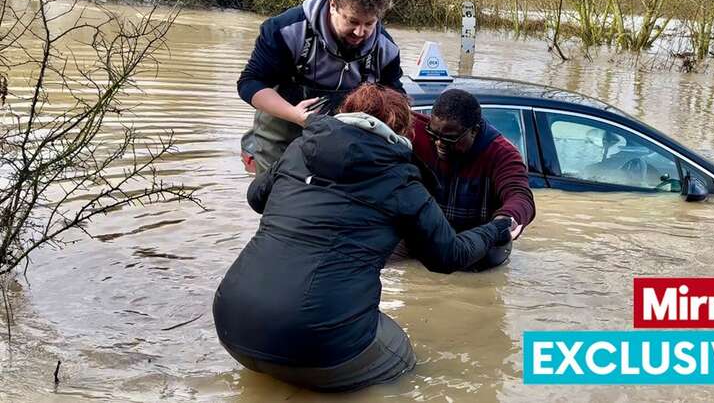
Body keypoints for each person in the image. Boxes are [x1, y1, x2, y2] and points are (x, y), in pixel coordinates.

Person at [213, 84, 512, 392]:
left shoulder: (298, 150)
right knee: (409, 366)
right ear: (402, 131)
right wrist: (497, 229)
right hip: (320, 342)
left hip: (230, 324)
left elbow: (256, 198)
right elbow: (449, 256)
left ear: (345, 113)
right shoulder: (403, 181)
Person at [237, 0, 404, 174]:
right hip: (280, 135)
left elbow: (397, 98)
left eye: (369, 24)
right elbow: (250, 83)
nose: (360, 32)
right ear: (333, 4)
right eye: (352, 21)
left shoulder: (386, 48)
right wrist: (295, 115)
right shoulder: (286, 30)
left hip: (343, 142)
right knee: (277, 199)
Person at [411, 89, 536, 270]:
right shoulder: (417, 132)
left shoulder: (502, 154)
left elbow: (520, 196)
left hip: (479, 253)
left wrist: (506, 220)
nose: (439, 143)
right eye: (434, 135)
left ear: (474, 131)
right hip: (427, 245)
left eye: (450, 138)